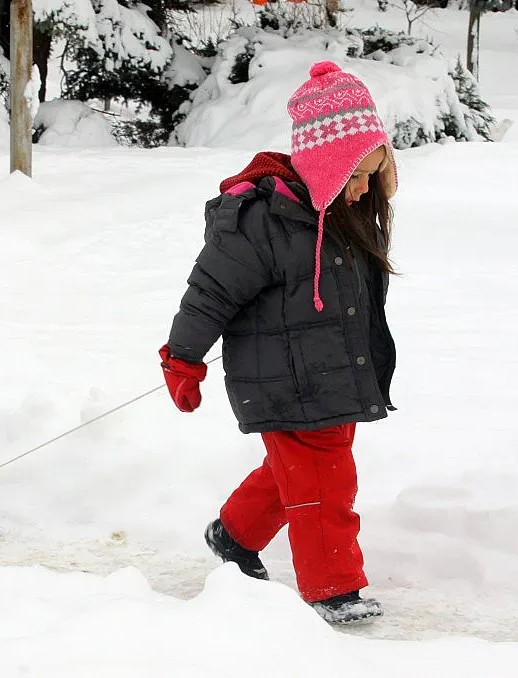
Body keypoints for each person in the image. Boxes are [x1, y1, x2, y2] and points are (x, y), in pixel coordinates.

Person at [159, 61, 398, 625]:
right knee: (324, 483)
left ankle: (234, 535)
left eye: (372, 175)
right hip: (284, 381)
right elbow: (209, 293)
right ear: (327, 163)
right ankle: (334, 588)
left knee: (296, 472)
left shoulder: (342, 215)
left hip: (332, 378)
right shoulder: (262, 221)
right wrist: (183, 358)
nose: (364, 189)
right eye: (356, 175)